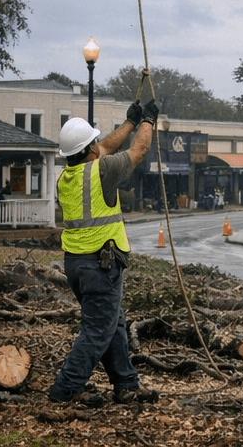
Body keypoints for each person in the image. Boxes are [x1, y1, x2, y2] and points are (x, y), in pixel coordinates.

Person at [48, 98, 161, 406]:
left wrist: (129, 122)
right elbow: (137, 152)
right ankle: (66, 388)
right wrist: (148, 121)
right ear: (90, 149)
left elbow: (105, 147)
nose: (100, 145)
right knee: (98, 329)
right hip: (101, 265)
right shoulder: (103, 171)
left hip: (77, 265)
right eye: (95, 142)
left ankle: (126, 384)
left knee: (113, 323)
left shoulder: (65, 177)